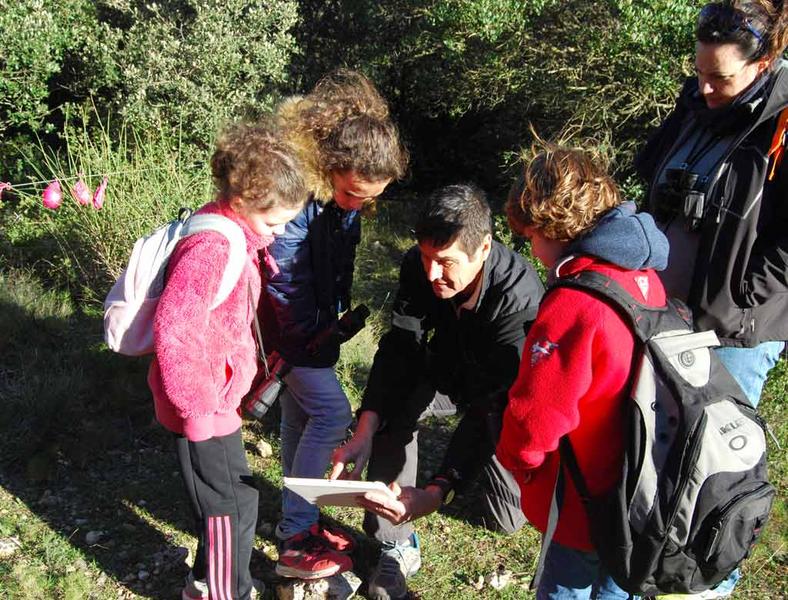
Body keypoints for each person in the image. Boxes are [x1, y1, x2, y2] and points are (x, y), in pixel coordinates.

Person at [635, 2, 788, 596]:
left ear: (765, 61)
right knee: (659, 456)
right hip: (666, 314)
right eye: (699, 72)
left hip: (736, 331)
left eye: (719, 77)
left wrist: (743, 299)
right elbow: (651, 174)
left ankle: (709, 583)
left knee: (712, 470)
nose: (704, 86)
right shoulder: (698, 102)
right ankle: (652, 568)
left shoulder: (779, 124)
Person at [332, 184, 545, 600]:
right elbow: (399, 348)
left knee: (505, 519)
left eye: (445, 262)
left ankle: (462, 478)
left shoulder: (519, 296)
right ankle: (396, 540)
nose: (431, 274)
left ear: (483, 248)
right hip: (444, 370)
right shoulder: (419, 265)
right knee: (396, 405)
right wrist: (366, 428)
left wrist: (439, 488)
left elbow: (495, 402)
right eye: (426, 257)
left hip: (498, 393)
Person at [495, 142, 669, 599]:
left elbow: (536, 417)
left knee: (564, 588)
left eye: (531, 235)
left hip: (582, 500)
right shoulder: (642, 278)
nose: (531, 249)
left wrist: (519, 464)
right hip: (638, 491)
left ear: (554, 225)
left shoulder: (574, 302)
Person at [148, 122, 306, 600]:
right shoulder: (212, 247)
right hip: (199, 404)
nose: (279, 234)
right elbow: (176, 330)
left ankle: (211, 581)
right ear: (241, 199)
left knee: (236, 497)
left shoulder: (237, 236)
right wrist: (197, 412)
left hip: (217, 398)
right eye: (274, 222)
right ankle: (224, 592)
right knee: (228, 506)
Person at [261, 69, 409, 580]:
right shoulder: (296, 190)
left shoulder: (339, 197)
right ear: (329, 166)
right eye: (352, 194)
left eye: (369, 199)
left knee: (299, 419)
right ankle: (297, 531)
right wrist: (306, 338)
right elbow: (282, 277)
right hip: (287, 332)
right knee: (331, 411)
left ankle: (293, 521)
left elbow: (334, 260)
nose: (359, 205)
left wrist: (333, 322)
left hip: (315, 329)